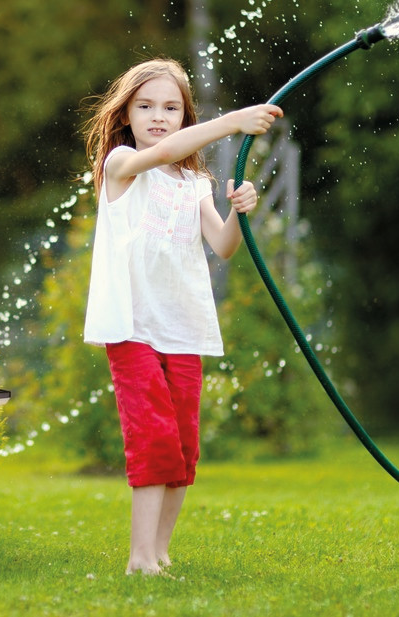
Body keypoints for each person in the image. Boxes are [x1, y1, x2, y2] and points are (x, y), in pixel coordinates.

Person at [82, 58, 283, 575]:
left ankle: (161, 551)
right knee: (151, 436)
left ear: (183, 113)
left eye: (171, 108)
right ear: (125, 114)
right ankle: (139, 558)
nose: (158, 117)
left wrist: (240, 211)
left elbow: (224, 246)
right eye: (145, 106)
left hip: (183, 328)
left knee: (183, 445)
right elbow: (169, 150)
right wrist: (233, 121)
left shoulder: (192, 184)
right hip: (132, 326)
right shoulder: (120, 164)